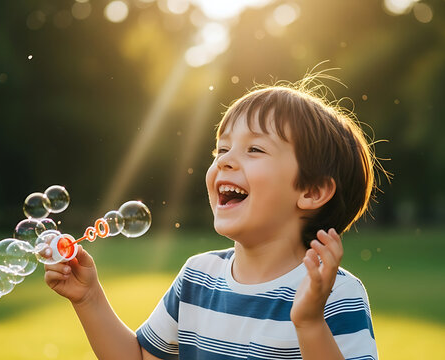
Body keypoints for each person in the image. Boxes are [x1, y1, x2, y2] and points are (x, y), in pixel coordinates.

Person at [45, 76, 379, 360]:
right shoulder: (198, 278)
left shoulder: (335, 295)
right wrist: (89, 298)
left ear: (311, 191)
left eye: (255, 150)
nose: (226, 161)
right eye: (222, 150)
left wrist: (309, 323)